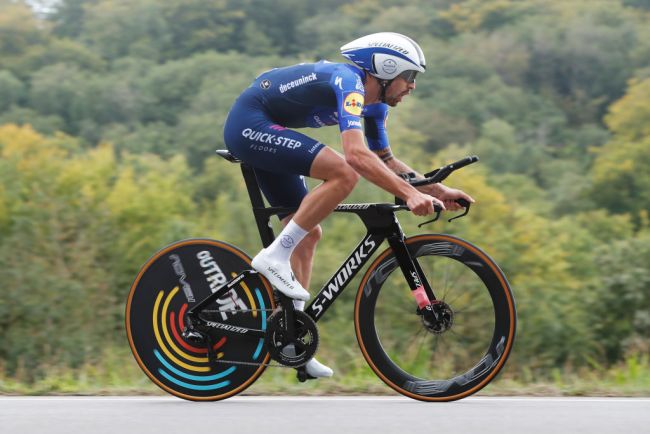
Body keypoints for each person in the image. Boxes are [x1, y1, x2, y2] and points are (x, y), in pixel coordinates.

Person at [223, 32, 474, 378]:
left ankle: (293, 340)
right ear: (386, 70)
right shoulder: (348, 82)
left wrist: (437, 189)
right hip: (249, 124)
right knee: (344, 172)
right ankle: (274, 256)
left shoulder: (376, 106)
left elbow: (385, 160)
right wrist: (410, 195)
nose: (413, 86)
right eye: (409, 77)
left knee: (308, 235)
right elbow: (356, 156)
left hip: (268, 129)